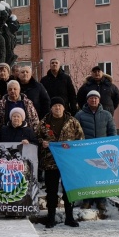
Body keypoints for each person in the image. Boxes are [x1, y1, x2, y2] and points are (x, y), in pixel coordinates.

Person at [36, 97, 85, 228]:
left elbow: (81, 140)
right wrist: (42, 143)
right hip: (50, 162)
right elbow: (36, 138)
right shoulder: (44, 122)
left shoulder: (73, 122)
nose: (57, 108)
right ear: (51, 108)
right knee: (51, 192)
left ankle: (70, 217)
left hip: (68, 162)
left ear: (64, 108)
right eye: (55, 106)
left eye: (60, 105)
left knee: (68, 190)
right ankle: (50, 217)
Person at [74, 90, 117, 211]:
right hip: (86, 151)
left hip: (102, 152)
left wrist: (111, 146)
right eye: (91, 98)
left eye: (96, 98)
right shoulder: (80, 115)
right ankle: (87, 200)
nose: (94, 100)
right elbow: (75, 133)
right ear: (87, 100)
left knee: (101, 176)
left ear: (99, 100)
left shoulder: (106, 115)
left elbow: (112, 131)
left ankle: (101, 200)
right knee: (86, 176)